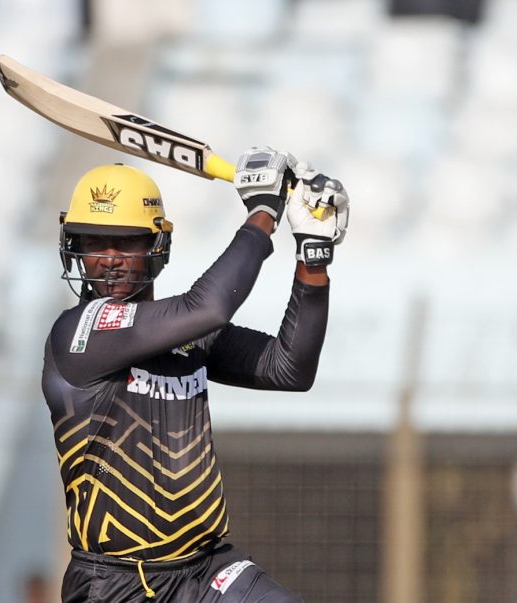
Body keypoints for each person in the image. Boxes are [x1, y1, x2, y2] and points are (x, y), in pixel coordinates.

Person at [41, 149, 349, 602]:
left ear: (156, 245)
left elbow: (290, 368)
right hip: (115, 584)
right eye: (93, 242)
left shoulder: (188, 333)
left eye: (126, 242)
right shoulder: (79, 332)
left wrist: (313, 259)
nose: (108, 258)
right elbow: (207, 307)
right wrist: (263, 212)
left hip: (207, 568)